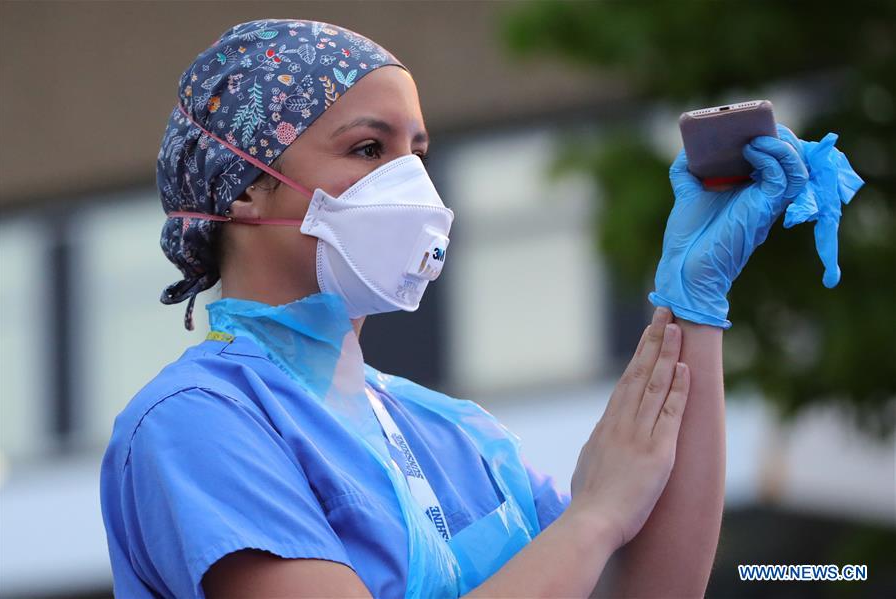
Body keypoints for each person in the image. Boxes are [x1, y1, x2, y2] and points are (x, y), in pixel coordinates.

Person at [100, 17, 834, 599]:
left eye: (417, 152)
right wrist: (593, 517)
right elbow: (592, 533)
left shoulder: (455, 432)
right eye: (368, 149)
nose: (411, 183)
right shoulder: (194, 420)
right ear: (241, 189)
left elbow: (649, 589)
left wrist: (692, 301)